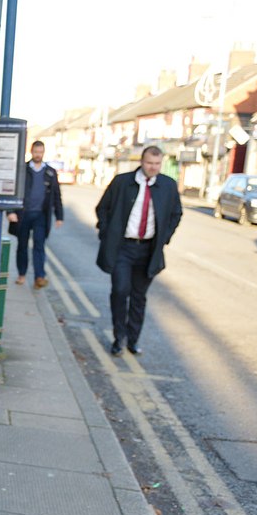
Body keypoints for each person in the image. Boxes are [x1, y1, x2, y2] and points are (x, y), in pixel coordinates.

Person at [95, 145, 182, 356]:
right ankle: (119, 338)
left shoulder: (168, 185)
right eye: (149, 163)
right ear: (141, 162)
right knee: (120, 291)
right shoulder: (122, 182)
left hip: (148, 250)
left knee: (138, 297)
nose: (153, 167)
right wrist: (107, 234)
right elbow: (102, 208)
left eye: (157, 164)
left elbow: (176, 214)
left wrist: (164, 239)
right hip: (122, 248)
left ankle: (133, 340)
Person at [7, 140, 63, 288]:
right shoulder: (23, 170)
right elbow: (12, 191)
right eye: (36, 152)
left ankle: (39, 276)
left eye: (41, 152)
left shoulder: (50, 172)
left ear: (43, 153)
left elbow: (57, 195)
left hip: (41, 215)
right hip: (23, 214)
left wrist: (59, 216)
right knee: (22, 246)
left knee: (39, 245)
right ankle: (22, 274)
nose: (38, 155)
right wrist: (10, 211)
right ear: (31, 152)